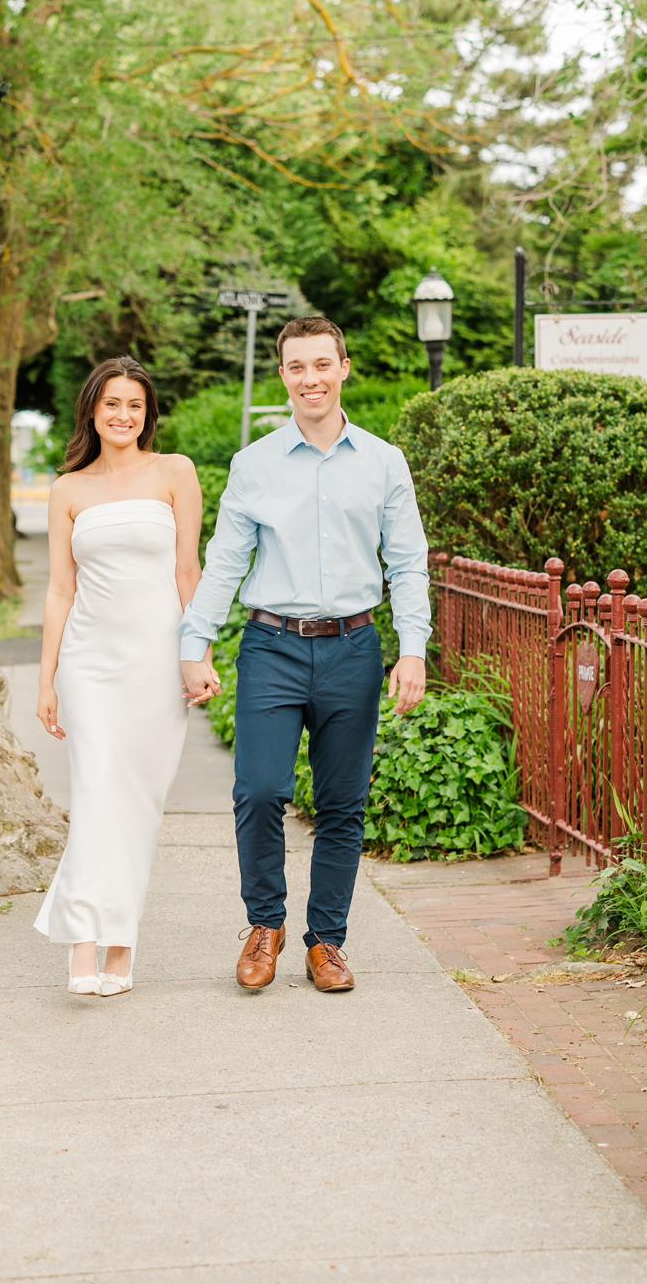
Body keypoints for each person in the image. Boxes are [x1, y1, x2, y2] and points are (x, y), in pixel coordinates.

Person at [178, 316, 430, 994]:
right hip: (272, 646)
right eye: (297, 366)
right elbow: (225, 561)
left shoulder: (383, 462)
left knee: (343, 803)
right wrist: (194, 645)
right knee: (259, 790)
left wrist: (412, 650)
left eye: (322, 364)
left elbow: (408, 563)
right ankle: (266, 925)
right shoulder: (254, 464)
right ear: (283, 374)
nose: (310, 378)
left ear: (343, 367)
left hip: (353, 646)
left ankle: (327, 942)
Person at [33, 356, 217, 997]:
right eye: (112, 402)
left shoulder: (175, 473)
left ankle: (122, 945)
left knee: (138, 805)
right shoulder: (68, 489)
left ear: (148, 414)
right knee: (95, 796)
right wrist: (47, 678)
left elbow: (189, 573)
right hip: (89, 663)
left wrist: (199, 656)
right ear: (92, 409)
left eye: (134, 404)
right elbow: (60, 589)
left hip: (156, 665)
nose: (123, 414)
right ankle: (84, 945)